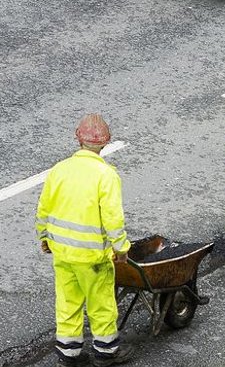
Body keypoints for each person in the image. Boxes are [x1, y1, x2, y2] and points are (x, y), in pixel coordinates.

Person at [36, 114, 135, 367]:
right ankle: (106, 351)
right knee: (101, 302)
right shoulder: (106, 175)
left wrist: (44, 237)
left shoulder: (59, 169)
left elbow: (44, 208)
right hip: (92, 258)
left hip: (63, 253)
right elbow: (113, 218)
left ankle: (69, 353)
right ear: (106, 142)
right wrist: (121, 248)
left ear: (77, 138)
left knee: (68, 301)